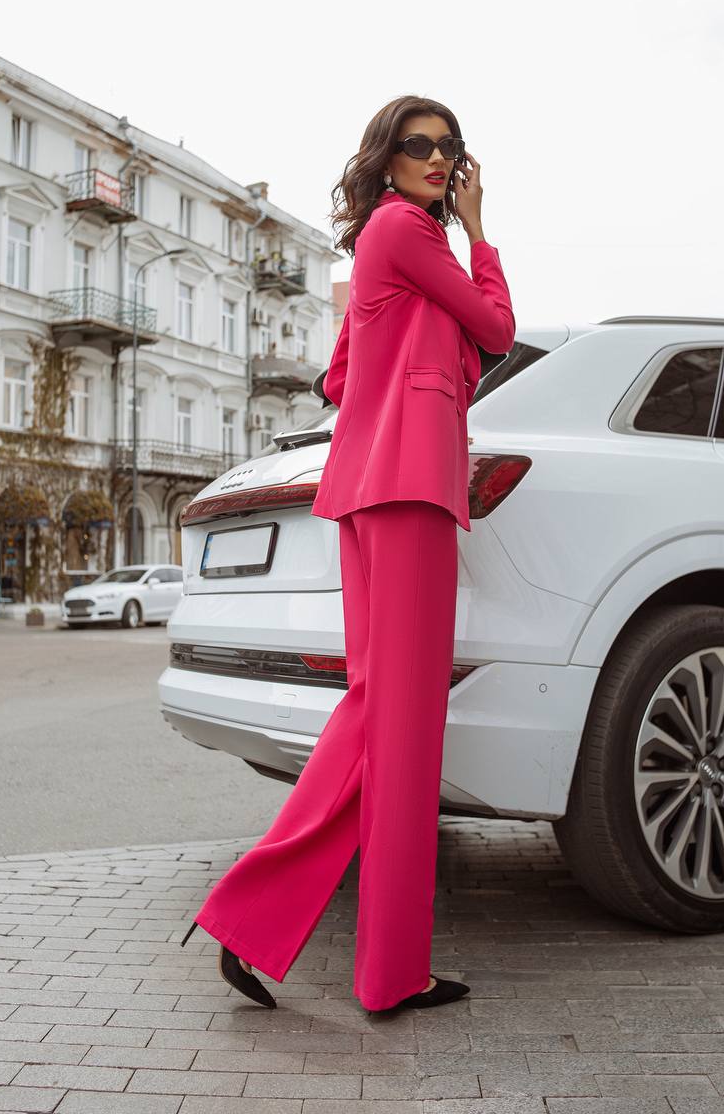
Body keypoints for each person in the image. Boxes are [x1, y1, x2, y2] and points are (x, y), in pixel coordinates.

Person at [180, 94, 516, 1015]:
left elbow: (336, 377)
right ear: (386, 157)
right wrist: (479, 237)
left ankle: (310, 941)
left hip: (372, 487)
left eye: (451, 150)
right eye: (419, 146)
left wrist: (409, 355)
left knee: (381, 715)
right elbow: (496, 328)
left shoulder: (382, 246)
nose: (439, 160)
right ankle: (354, 958)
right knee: (401, 730)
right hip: (407, 488)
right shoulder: (410, 230)